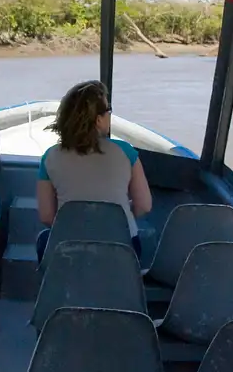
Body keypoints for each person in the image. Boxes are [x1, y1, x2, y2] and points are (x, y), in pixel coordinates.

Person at [36, 80, 152, 260]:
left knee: (44, 239)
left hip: (69, 251)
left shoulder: (49, 157)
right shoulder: (126, 152)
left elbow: (46, 216)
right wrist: (118, 218)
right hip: (120, 249)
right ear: (98, 119)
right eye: (108, 111)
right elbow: (144, 205)